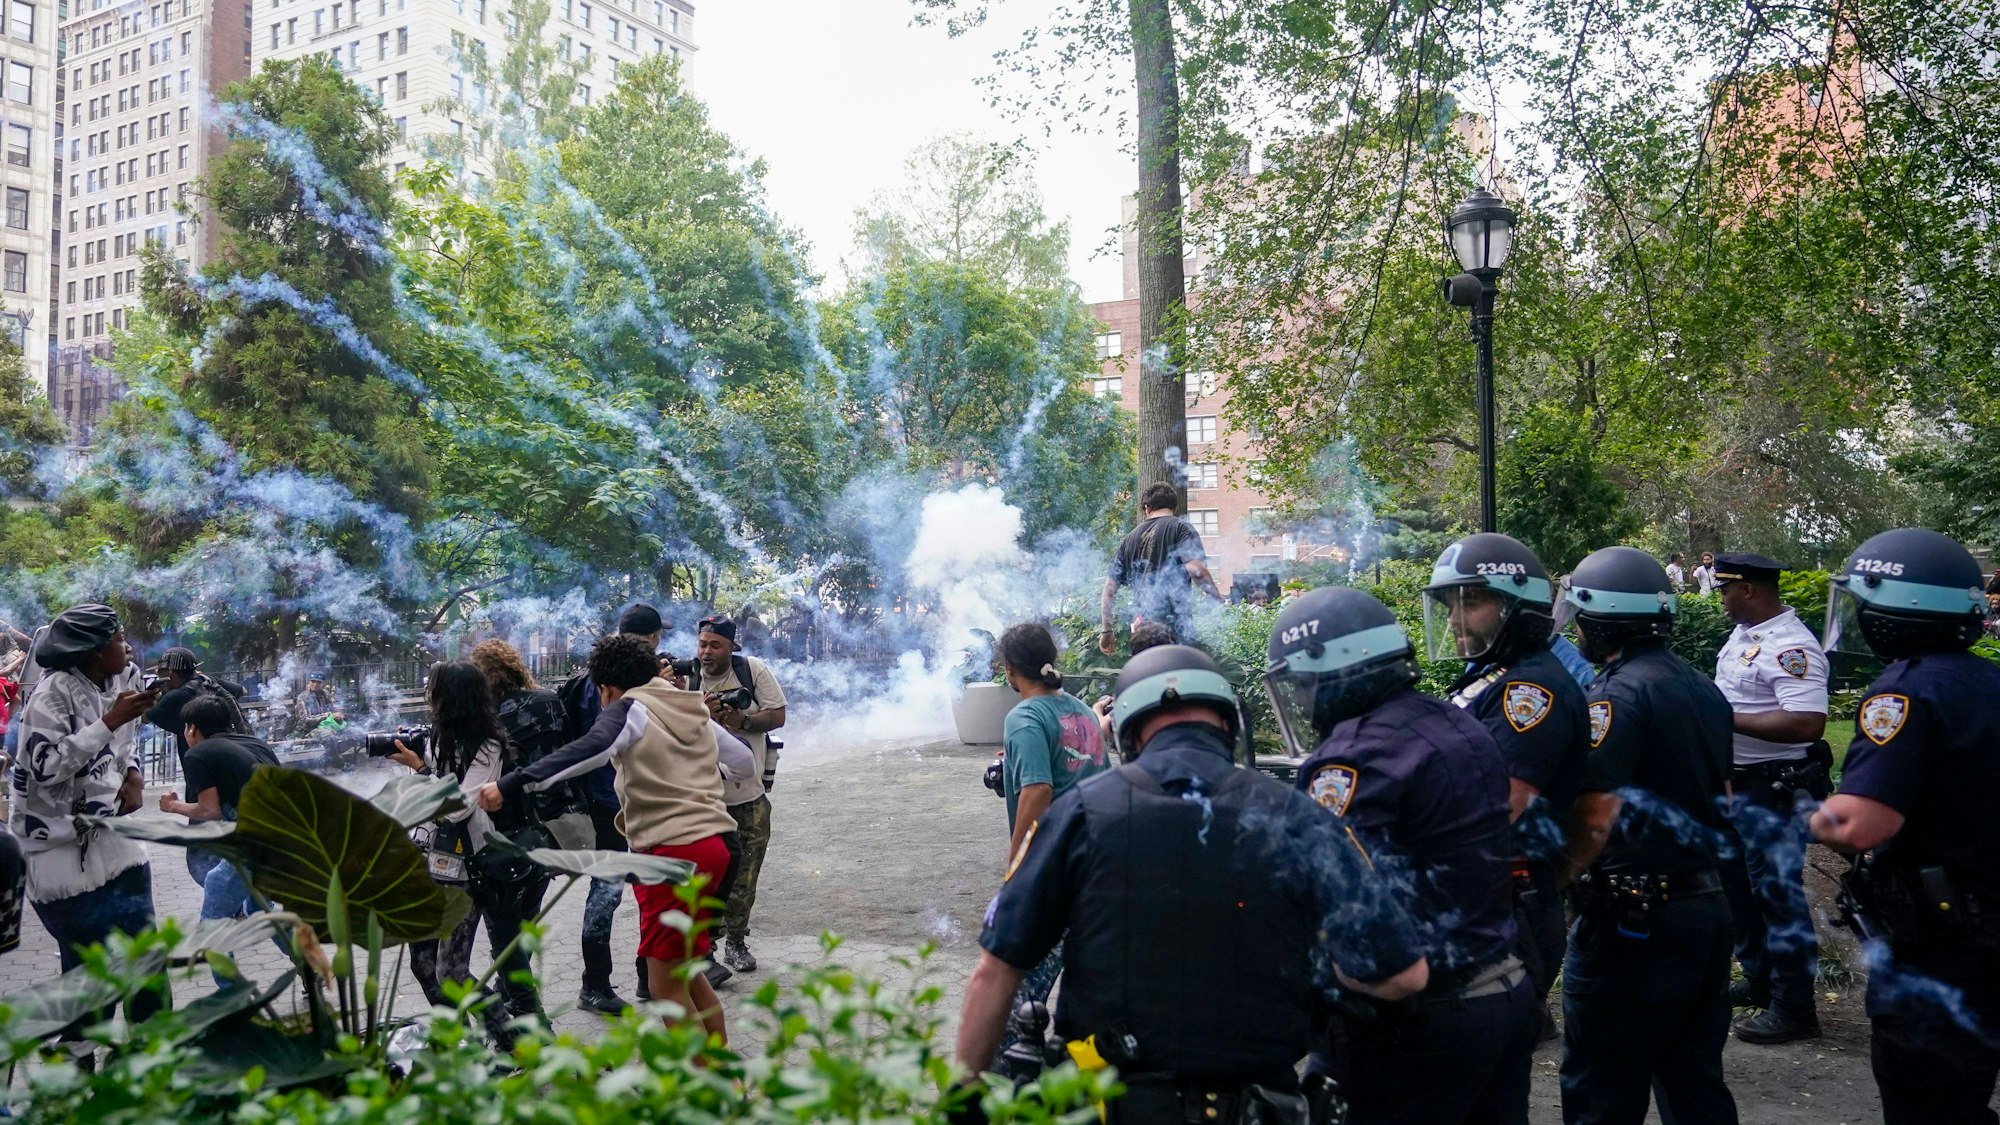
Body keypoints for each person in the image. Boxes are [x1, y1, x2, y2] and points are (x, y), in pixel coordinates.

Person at [958, 645, 1430, 1121]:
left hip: (1110, 1106)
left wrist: (962, 1100)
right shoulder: (1299, 816)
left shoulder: (1079, 813)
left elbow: (995, 970)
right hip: (1260, 1105)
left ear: (1129, 729)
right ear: (1228, 722)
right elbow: (1403, 975)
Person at [1271, 586, 1534, 1124]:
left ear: (1337, 673)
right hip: (1503, 990)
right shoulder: (1458, 720)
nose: (1300, 700)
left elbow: (1335, 902)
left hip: (1416, 1022)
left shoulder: (1352, 757)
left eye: (1302, 683)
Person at [1809, 528, 1999, 1125]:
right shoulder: (1988, 681)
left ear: (1898, 608)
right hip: (1989, 928)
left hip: (1939, 948)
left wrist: (1812, 815)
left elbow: (1862, 825)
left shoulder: (1905, 691)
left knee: (1928, 1102)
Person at [477, 633, 741, 1042]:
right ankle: (721, 1070)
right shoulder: (688, 705)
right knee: (686, 972)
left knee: (664, 987)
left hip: (670, 854)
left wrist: (509, 784)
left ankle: (704, 1088)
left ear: (605, 688)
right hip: (716, 846)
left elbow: (592, 748)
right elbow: (742, 761)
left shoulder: (630, 708)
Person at [1555, 547, 1738, 1125]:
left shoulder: (1617, 695)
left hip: (1635, 921)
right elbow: (1725, 795)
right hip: (1705, 909)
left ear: (1600, 621)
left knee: (1602, 1086)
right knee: (1694, 1081)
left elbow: (1595, 813)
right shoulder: (1701, 687)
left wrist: (1553, 876)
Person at [1422, 533, 1590, 1041]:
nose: (1454, 618)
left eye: (1470, 602)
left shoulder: (1529, 689)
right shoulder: (1496, 674)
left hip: (1510, 901)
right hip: (1490, 895)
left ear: (1517, 608)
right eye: (1451, 603)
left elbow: (1502, 803)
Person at [9, 604, 165, 1026]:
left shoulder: (125, 678)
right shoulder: (51, 694)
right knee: (90, 980)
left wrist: (133, 774)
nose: (126, 647)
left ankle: (158, 1062)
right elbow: (45, 768)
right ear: (94, 651)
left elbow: (126, 742)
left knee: (147, 961)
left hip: (112, 837)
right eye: (117, 639)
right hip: (55, 847)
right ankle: (79, 1069)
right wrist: (109, 721)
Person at [1709, 551, 1829, 1044]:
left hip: (1774, 788)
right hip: (1741, 784)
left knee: (1776, 895)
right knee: (1740, 888)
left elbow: (1806, 722)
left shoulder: (1790, 646)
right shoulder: (1745, 635)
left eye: (1725, 589)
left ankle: (1795, 1006)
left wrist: (1721, 718)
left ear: (1750, 590)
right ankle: (1760, 978)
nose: (1720, 598)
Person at [401, 660, 548, 1050]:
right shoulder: (437, 735)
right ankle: (464, 1045)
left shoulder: (489, 743)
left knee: (452, 971)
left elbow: (458, 807)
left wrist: (420, 771)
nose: (428, 697)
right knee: (422, 965)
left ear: (450, 696)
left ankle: (515, 1042)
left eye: (433, 689)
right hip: (424, 860)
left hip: (464, 866)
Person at [993, 622, 1109, 1046]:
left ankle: (1003, 1087)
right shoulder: (1080, 711)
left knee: (1017, 999)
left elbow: (1039, 790)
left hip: (1054, 869)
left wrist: (1017, 866)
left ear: (1009, 669)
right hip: (1097, 865)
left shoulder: (1024, 716)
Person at [558, 602, 668, 1012]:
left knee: (643, 891)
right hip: (614, 802)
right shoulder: (624, 683)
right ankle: (595, 984)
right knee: (607, 893)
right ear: (653, 638)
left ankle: (647, 977)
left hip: (619, 800)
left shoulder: (598, 677)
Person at [687, 615, 787, 978]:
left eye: (716, 645)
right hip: (702, 798)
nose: (707, 652)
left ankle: (736, 940)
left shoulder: (752, 670)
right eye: (702, 644)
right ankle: (705, 949)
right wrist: (700, 713)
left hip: (749, 795)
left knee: (745, 875)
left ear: (732, 647)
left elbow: (777, 715)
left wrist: (741, 721)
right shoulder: (684, 679)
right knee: (706, 877)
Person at [155, 693, 279, 980]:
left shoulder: (198, 753)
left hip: (251, 845)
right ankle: (308, 966)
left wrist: (172, 806)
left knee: (211, 928)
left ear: (191, 728)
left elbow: (209, 810)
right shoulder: (255, 743)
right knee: (258, 909)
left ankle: (235, 1000)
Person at [1098, 482, 1223, 654]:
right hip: (1175, 628)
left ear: (1147, 508)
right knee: (1175, 678)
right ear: (1174, 506)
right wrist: (1218, 599)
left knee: (1147, 677)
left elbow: (1109, 589)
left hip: (1141, 632)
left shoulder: (1129, 539)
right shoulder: (1181, 528)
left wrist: (1107, 630)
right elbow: (1197, 571)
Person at [144, 646, 247, 770]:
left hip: (204, 767)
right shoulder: (209, 681)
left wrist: (151, 694)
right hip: (234, 753)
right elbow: (243, 691)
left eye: (161, 671)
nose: (158, 675)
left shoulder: (176, 697)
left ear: (171, 673)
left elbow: (143, 717)